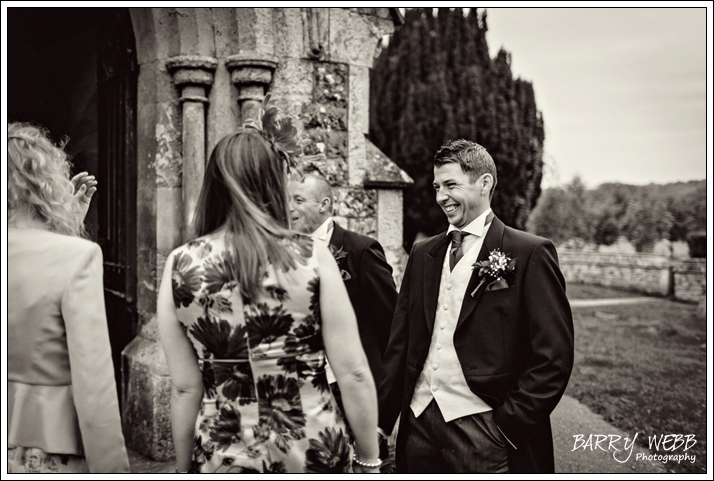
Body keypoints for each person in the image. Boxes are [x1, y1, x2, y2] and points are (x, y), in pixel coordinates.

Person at [156, 104, 381, 473]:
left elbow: (184, 388)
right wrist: (370, 461)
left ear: (213, 184)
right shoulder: (314, 257)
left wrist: (184, 469)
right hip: (311, 446)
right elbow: (353, 372)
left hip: (224, 452)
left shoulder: (180, 265)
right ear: (274, 183)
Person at [378, 139, 574, 473]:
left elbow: (554, 355)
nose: (441, 197)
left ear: (485, 183)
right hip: (419, 422)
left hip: (485, 428)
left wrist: (507, 427)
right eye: (437, 186)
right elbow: (401, 344)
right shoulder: (423, 253)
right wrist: (382, 422)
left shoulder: (529, 252)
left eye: (451, 185)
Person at [7, 122, 130, 473]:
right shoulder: (78, 257)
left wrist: (68, 221)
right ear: (46, 180)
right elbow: (94, 385)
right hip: (46, 449)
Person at [288, 172, 398, 416]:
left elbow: (391, 327)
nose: (289, 208)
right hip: (303, 391)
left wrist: (385, 399)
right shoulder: (283, 255)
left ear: (324, 204)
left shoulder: (361, 250)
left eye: (298, 200)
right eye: (286, 200)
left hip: (351, 387)